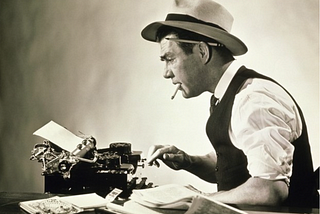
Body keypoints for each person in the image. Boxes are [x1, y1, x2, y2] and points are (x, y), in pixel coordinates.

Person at [141, 0, 318, 207]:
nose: (166, 73)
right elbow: (235, 167)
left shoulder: (251, 98)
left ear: (202, 52)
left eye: (170, 58)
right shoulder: (227, 94)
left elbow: (269, 189)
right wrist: (188, 161)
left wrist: (201, 200)